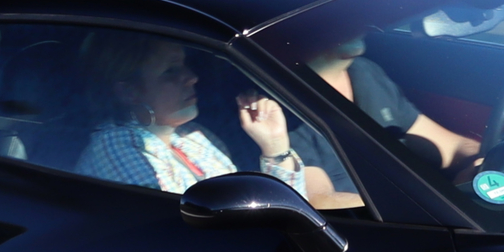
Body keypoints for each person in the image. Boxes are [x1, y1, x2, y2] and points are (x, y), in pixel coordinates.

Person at [74, 32, 335, 198]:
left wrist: (275, 147)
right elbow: (186, 237)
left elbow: (286, 209)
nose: (191, 77)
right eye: (170, 72)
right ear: (129, 92)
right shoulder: (116, 149)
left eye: (184, 66)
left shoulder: (193, 136)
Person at [303, 35, 480, 171]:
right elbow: (321, 198)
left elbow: (449, 145)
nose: (355, 23)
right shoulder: (284, 98)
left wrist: (484, 160)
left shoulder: (365, 72)